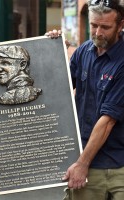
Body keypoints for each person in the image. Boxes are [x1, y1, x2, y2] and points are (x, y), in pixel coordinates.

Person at [47, 0, 124, 199]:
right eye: (94, 25)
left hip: (117, 164)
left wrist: (82, 164)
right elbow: (57, 93)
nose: (98, 33)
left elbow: (108, 121)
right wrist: (51, 52)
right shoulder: (84, 51)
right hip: (85, 160)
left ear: (121, 25)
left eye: (105, 27)